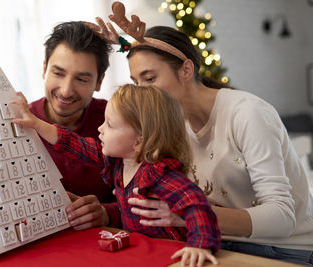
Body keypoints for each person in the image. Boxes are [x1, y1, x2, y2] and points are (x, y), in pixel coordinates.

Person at [113, 20, 313, 266]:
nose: (142, 93)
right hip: (213, 244)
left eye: (150, 79)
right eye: (136, 83)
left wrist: (188, 215)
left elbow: (282, 218)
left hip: (282, 250)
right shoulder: (173, 125)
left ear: (186, 70)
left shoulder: (248, 114)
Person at [11, 84, 221, 267]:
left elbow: (197, 205)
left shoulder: (160, 176)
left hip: (169, 254)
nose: (100, 129)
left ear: (138, 141)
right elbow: (74, 144)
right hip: (139, 253)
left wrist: (200, 246)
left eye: (110, 125)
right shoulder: (116, 163)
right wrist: (36, 124)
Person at [0, 21, 123, 230]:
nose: (66, 91)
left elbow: (150, 197)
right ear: (44, 68)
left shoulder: (119, 120)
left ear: (99, 81)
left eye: (81, 79)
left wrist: (107, 213)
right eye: (58, 73)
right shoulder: (14, 121)